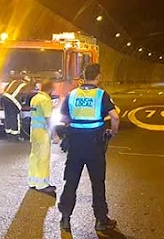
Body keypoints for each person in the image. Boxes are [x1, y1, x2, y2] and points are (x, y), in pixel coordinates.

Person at [58, 64, 120, 232]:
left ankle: (65, 218)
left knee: (71, 182)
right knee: (97, 183)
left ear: (83, 77)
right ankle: (101, 220)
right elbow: (115, 116)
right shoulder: (101, 95)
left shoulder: (72, 95)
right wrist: (112, 132)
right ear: (98, 77)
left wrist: (70, 129)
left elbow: (63, 117)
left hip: (75, 145)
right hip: (94, 146)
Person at [27, 79, 57, 194]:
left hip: (34, 131)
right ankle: (42, 184)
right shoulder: (45, 100)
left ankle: (32, 181)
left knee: (34, 156)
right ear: (49, 88)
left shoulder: (35, 98)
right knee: (44, 158)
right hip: (43, 132)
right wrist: (55, 134)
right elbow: (48, 119)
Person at [1, 76, 35, 141]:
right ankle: (15, 136)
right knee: (15, 117)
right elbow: (24, 96)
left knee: (8, 116)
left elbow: (5, 88)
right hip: (13, 99)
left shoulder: (14, 81)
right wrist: (23, 103)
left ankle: (9, 135)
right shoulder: (25, 85)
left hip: (4, 97)